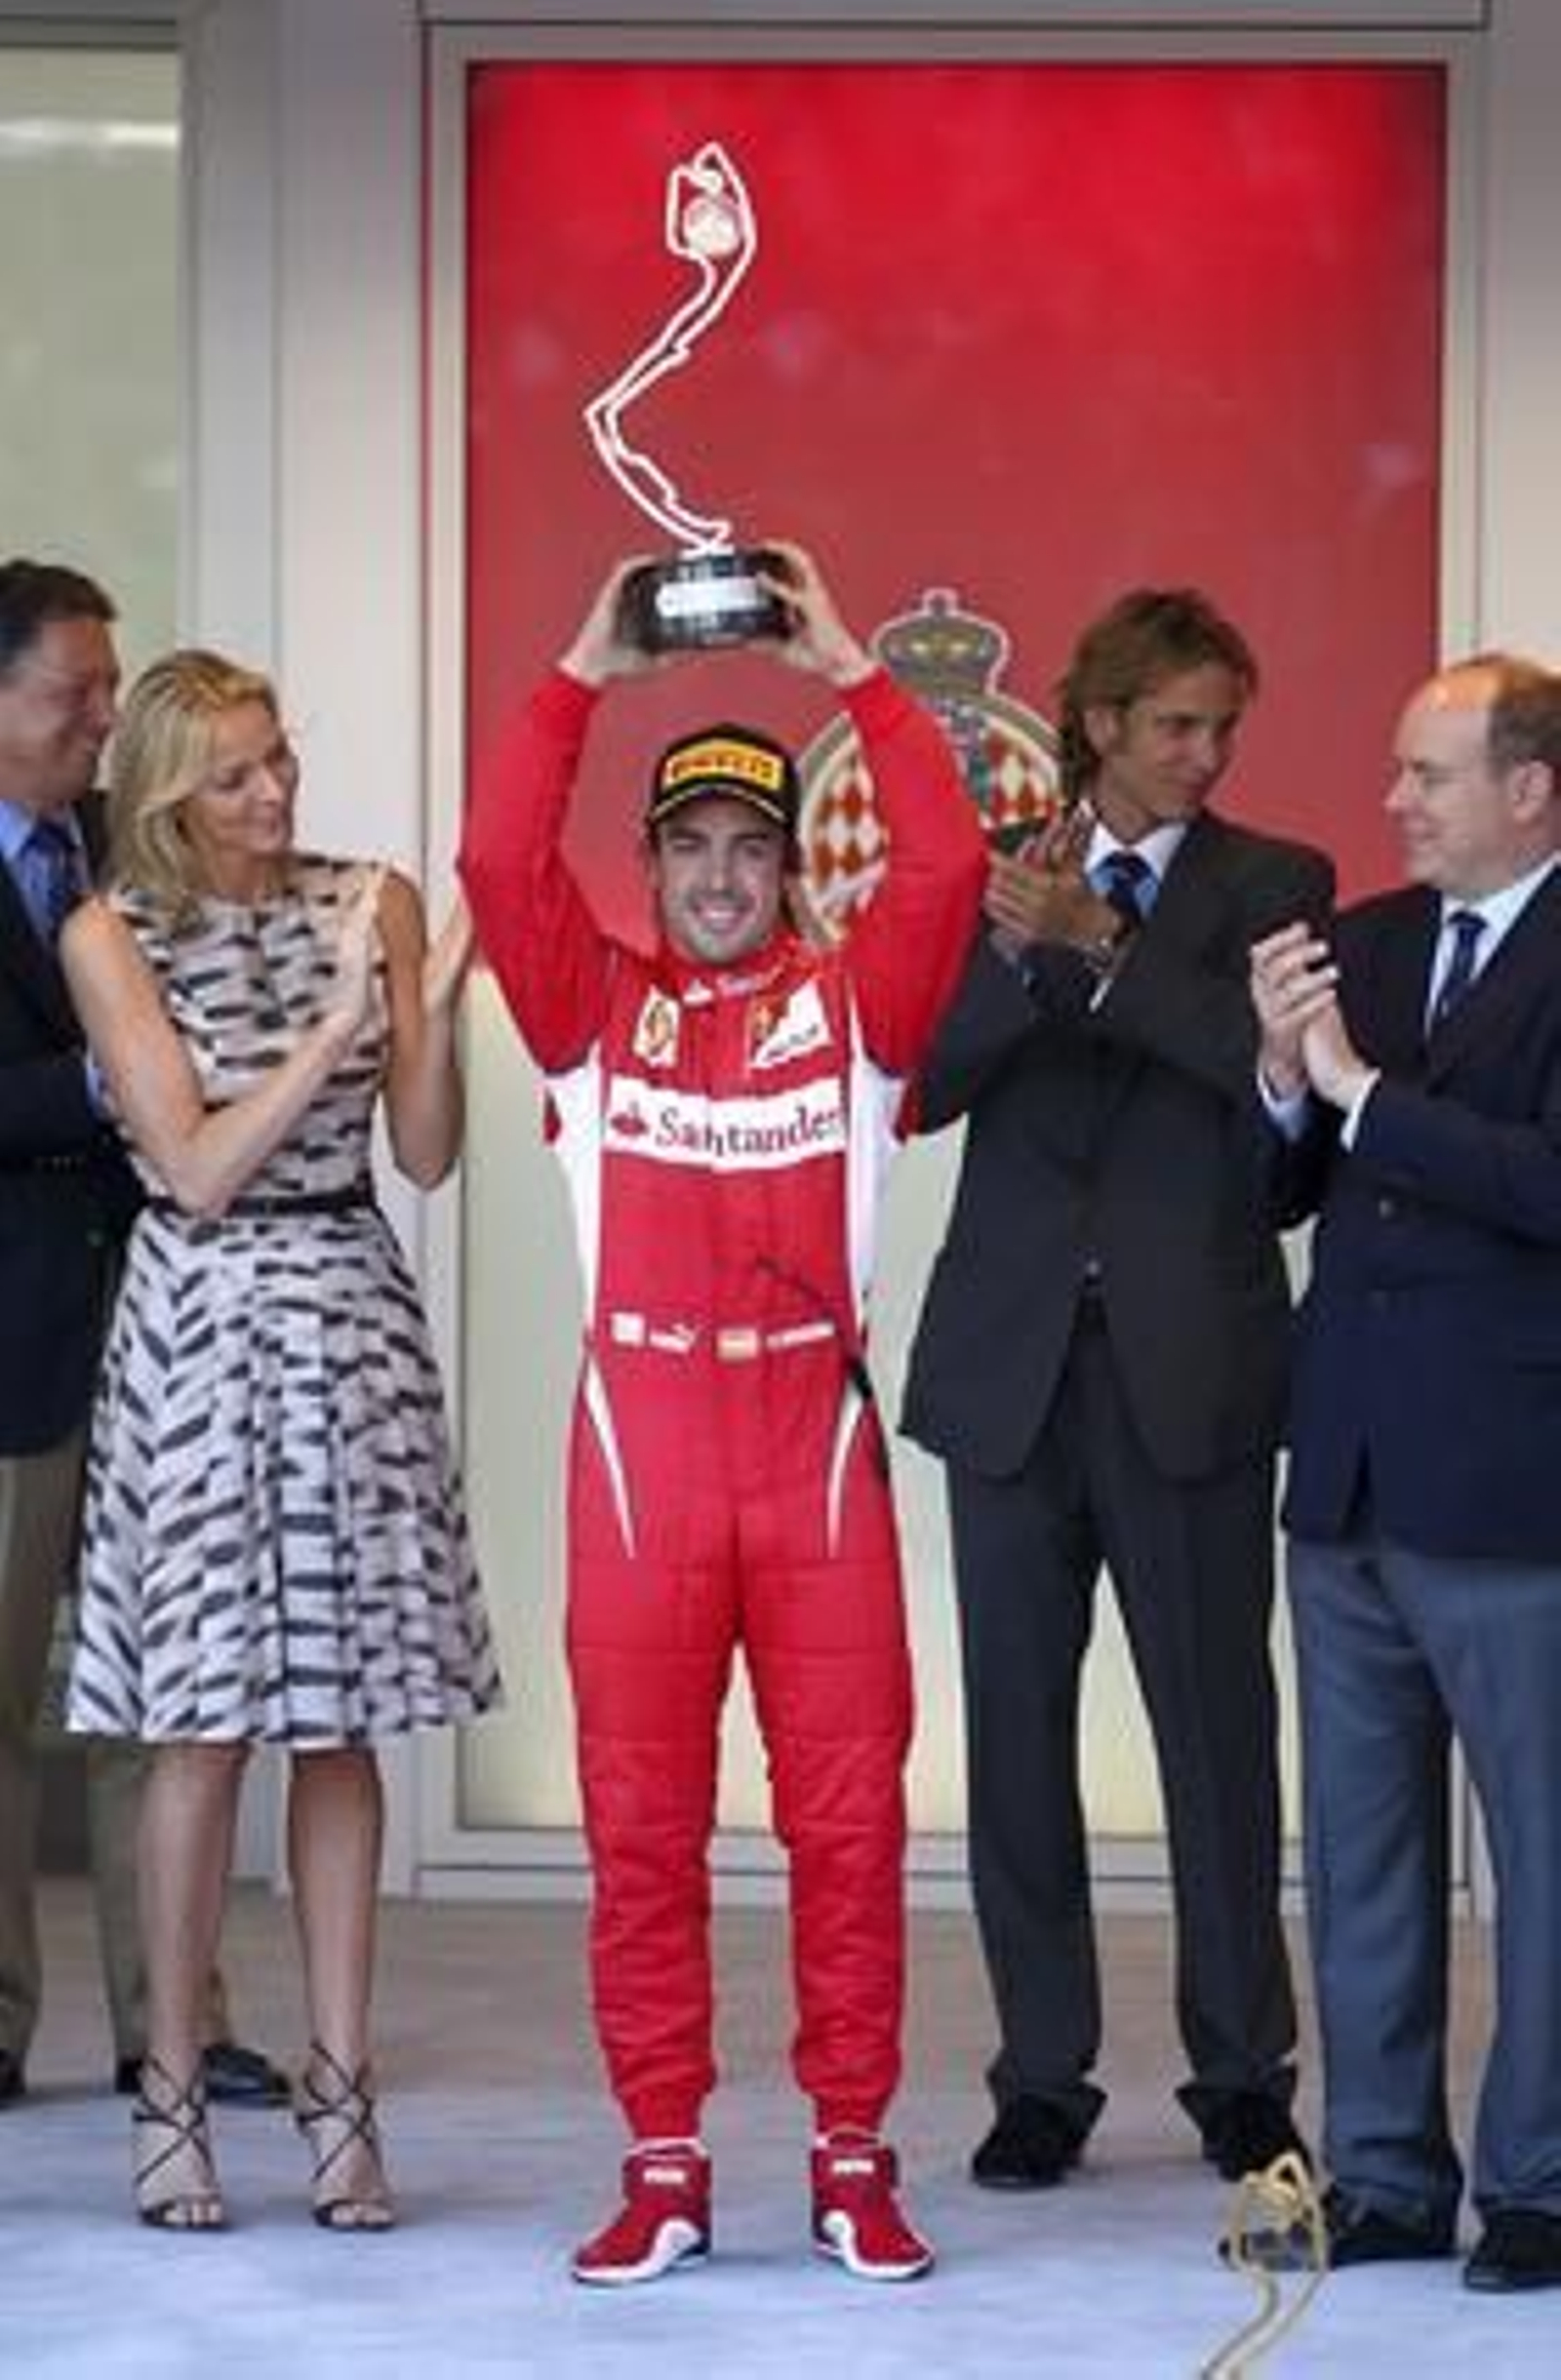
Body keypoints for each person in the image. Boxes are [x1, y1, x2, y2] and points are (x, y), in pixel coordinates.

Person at [460, 542, 984, 2287]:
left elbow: (953, 855)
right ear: (653, 861)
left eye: (748, 846)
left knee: (849, 1827)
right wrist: (583, 670)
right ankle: (665, 2163)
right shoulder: (594, 1012)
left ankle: (852, 2156)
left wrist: (849, 661)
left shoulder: (860, 1014)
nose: (715, 875)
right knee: (640, 1829)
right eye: (685, 845)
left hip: (811, 1458)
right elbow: (491, 858)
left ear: (788, 864)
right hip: (644, 1457)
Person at [60, 647, 500, 2231]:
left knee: (345, 1720)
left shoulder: (366, 895)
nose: (275, 791)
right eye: (238, 772)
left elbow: (428, 1155)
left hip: (349, 1311)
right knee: (199, 1729)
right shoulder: (106, 934)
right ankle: (170, 2093)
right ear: (173, 791)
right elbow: (187, 1169)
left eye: (281, 758)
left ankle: (343, 2095)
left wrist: (431, 1017)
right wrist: (328, 1035)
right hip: (195, 1333)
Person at [901, 587, 1334, 2193]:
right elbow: (924, 1084)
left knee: (1217, 1730)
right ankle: (1041, 2079)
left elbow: (1254, 1062)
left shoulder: (1278, 881)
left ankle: (1242, 2075)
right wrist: (1020, 957)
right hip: (1010, 1371)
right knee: (1014, 1738)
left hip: (1194, 1366)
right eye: (1176, 727)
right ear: (1098, 725)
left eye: (1223, 725)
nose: (1207, 754)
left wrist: (1110, 944)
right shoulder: (989, 863)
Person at [1249, 653, 1561, 2292]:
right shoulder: (1362, 946)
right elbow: (1285, 1189)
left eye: (1427, 776)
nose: (1393, 802)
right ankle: (1380, 2177)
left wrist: (1361, 1091)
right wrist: (1282, 1083)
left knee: (1546, 1857)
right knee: (1359, 1854)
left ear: (1531, 787)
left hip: (1518, 1482)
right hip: (1351, 1472)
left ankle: (1543, 2186)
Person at [0, 560, 283, 2114]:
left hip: (168, 1318)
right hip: (15, 1330)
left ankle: (168, 2022)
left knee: (166, 1682)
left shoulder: (135, 851)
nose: (108, 720)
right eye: (76, 692)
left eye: (113, 690)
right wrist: (113, 1085)